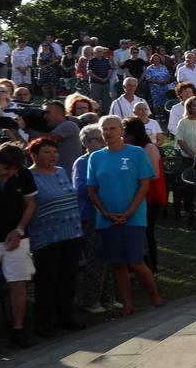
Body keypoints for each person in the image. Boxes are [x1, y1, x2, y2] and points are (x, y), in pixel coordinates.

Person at [86, 116, 163, 316]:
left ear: (122, 130)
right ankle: (127, 304)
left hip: (133, 217)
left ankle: (155, 297)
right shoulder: (96, 157)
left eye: (112, 128)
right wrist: (104, 212)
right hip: (107, 219)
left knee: (135, 261)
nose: (108, 132)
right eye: (105, 129)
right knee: (117, 263)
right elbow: (92, 190)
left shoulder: (136, 153)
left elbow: (144, 184)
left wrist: (130, 211)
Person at [26, 136, 85, 336]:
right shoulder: (29, 176)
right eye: (47, 152)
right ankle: (44, 323)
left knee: (68, 277)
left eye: (55, 152)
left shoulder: (60, 171)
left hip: (71, 232)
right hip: (47, 236)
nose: (53, 156)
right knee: (47, 279)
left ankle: (65, 317)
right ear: (34, 155)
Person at [0, 141, 39, 347]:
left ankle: (18, 330)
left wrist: (19, 231)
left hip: (17, 236)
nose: (9, 173)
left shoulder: (23, 174)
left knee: (18, 282)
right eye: (5, 169)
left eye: (14, 170)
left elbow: (30, 204)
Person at [72, 123, 112, 313]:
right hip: (90, 216)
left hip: (108, 214)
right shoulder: (82, 162)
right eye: (97, 139)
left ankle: (108, 297)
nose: (102, 142)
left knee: (108, 257)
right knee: (95, 258)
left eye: (102, 138)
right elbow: (80, 188)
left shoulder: (106, 158)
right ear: (86, 143)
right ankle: (92, 301)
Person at [122, 118, 168, 273]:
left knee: (147, 232)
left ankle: (151, 268)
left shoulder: (149, 148)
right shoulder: (128, 148)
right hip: (137, 195)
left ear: (132, 134)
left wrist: (130, 178)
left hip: (151, 196)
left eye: (125, 133)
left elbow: (154, 174)